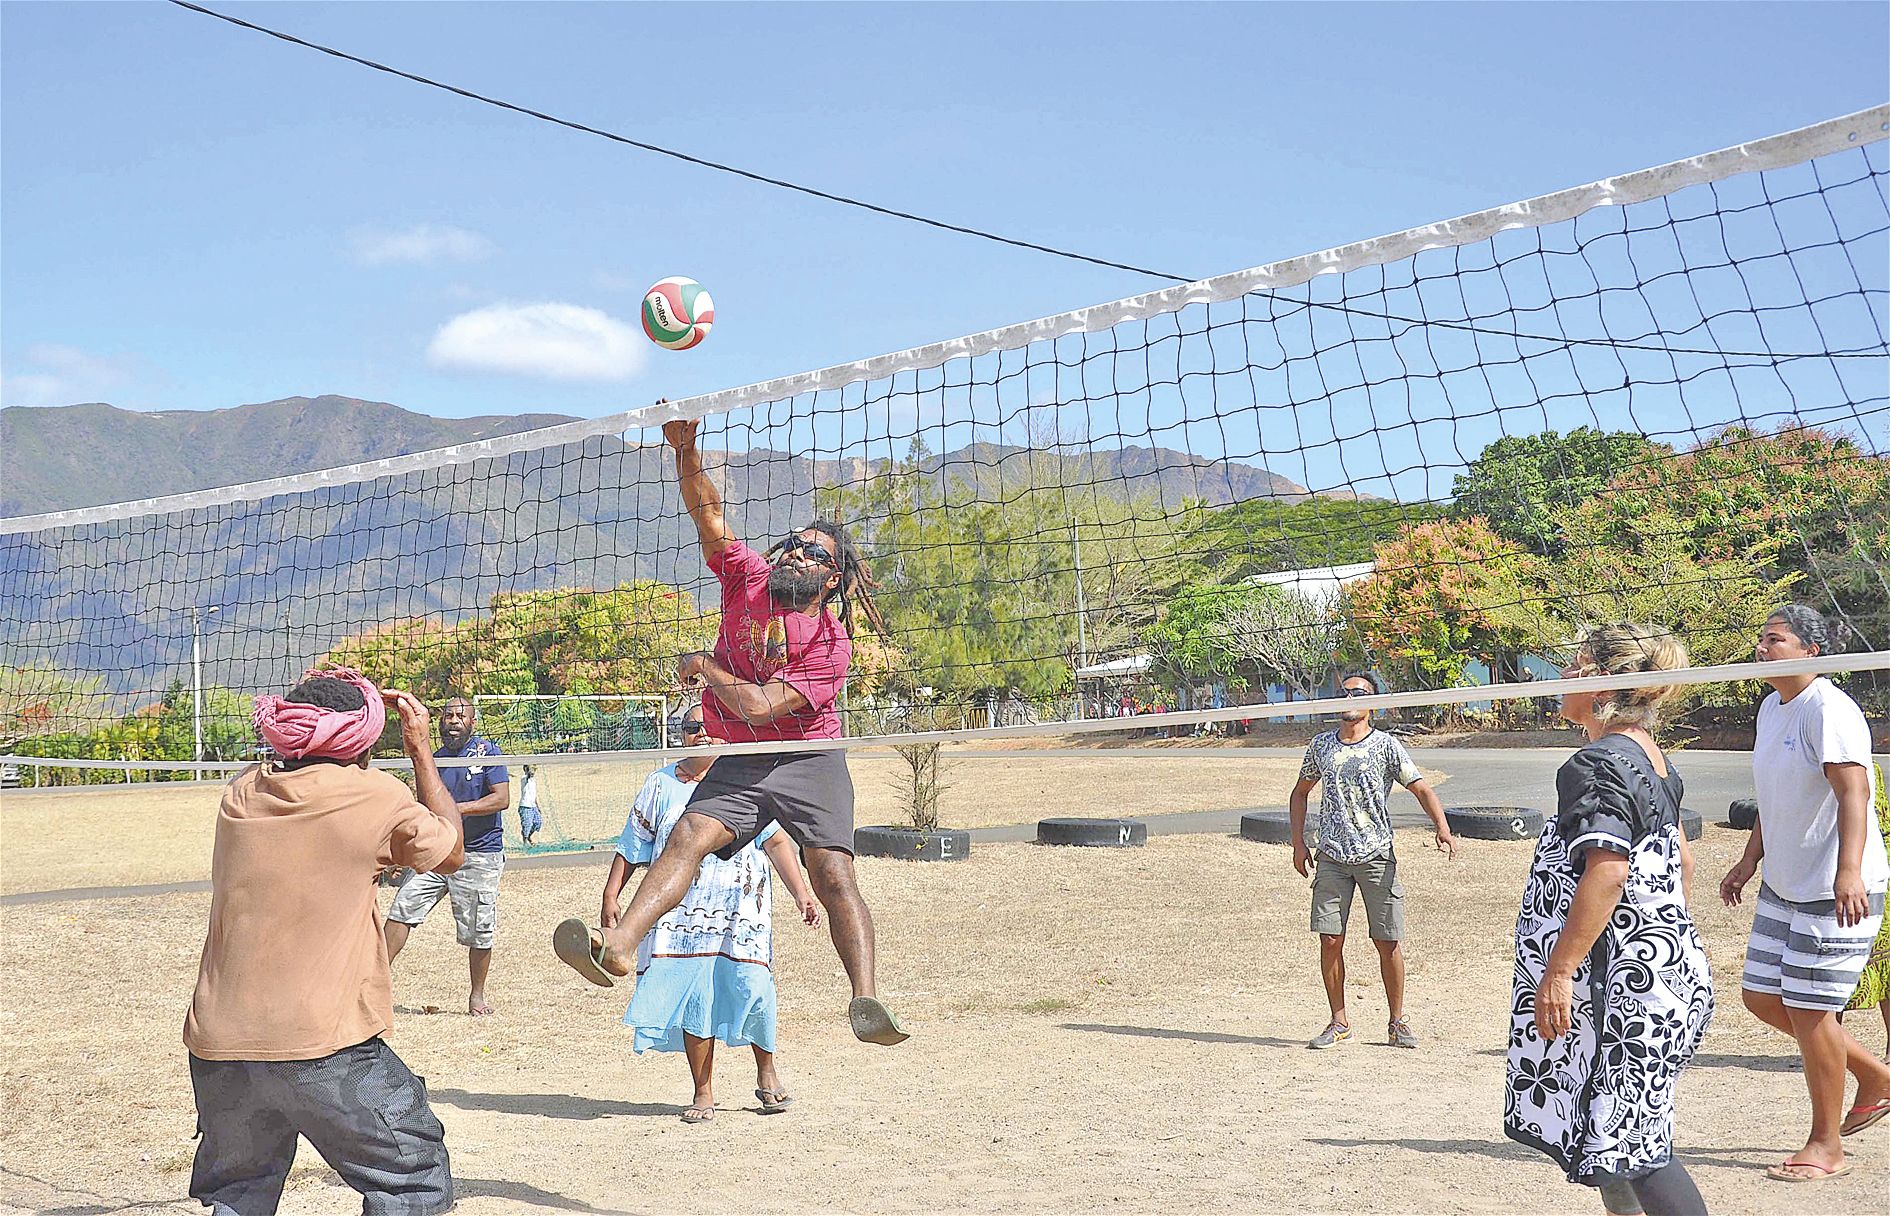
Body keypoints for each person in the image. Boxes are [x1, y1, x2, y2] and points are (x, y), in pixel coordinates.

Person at [554, 415, 907, 1046]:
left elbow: (757, 706)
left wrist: (702, 665)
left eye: (815, 553)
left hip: (807, 756)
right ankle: (620, 948)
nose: (798, 553)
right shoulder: (747, 579)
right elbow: (708, 515)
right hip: (745, 757)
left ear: (832, 579)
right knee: (688, 834)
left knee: (832, 876)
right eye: (794, 544)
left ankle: (866, 1000)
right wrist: (687, 453)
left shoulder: (831, 641)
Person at [183, 669, 463, 1216]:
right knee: (413, 1178)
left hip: (218, 1045)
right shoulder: (374, 796)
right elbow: (449, 852)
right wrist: (420, 750)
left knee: (241, 1192)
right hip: (321, 1043)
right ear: (361, 737)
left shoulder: (241, 791)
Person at [1505, 624, 1711, 1216]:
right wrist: (1663, 937)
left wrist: (1561, 970)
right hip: (1653, 975)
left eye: (1573, 666)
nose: (1561, 679)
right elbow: (1682, 859)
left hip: (1625, 987)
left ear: (1599, 682)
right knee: (1608, 1145)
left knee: (1639, 1152)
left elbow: (1609, 872)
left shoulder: (1596, 762)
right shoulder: (1650, 756)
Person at [1719, 605, 1890, 1176]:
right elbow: (1773, 796)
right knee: (1762, 997)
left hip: (1834, 886)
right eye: (1761, 638)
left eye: (1776, 639)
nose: (1762, 648)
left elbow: (1853, 794)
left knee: (1812, 1011)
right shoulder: (1773, 708)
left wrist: (1847, 871)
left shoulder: (1830, 709)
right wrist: (1748, 859)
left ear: (1813, 652)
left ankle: (1827, 1145)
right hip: (1783, 884)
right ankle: (1874, 1073)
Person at [601, 709, 821, 1122]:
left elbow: (775, 844)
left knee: (751, 984)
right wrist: (612, 893)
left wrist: (802, 892)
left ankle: (767, 1074)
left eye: (711, 727)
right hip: (681, 917)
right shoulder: (660, 785)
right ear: (681, 736)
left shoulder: (747, 781)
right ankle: (703, 1093)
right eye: (692, 728)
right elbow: (634, 843)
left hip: (742, 913)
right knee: (695, 999)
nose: (701, 734)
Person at [1289, 671, 1455, 1049]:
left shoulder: (1386, 747)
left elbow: (1421, 788)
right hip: (1331, 855)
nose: (1349, 699)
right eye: (1344, 693)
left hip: (1376, 854)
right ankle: (1339, 1020)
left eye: (1358, 693)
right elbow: (1299, 794)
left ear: (1372, 703)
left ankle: (1397, 1022)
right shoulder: (1320, 746)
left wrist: (1442, 827)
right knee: (1330, 938)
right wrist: (1298, 843)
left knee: (1387, 940)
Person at [385, 695, 511, 1016]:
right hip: (439, 848)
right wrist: (402, 854)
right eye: (448, 715)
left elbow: (501, 799)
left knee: (479, 929)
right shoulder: (434, 760)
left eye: (460, 715)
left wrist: (455, 810)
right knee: (403, 908)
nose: (453, 720)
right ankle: (373, 984)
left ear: (472, 721)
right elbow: (424, 809)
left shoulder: (488, 752)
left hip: (478, 853)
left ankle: (476, 997)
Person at [1839, 762, 1890, 1067]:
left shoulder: (1852, 754)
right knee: (1830, 964)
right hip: (1832, 861)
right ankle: (1829, 1046)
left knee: (1887, 959)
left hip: (1873, 857)